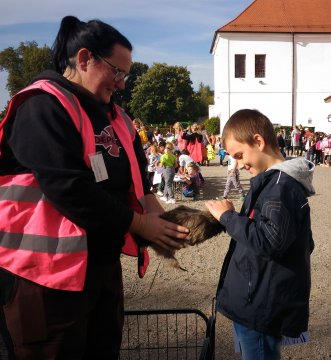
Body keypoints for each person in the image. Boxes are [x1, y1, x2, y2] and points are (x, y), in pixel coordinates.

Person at [0, 16, 190, 359]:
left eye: (125, 75)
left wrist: (153, 209)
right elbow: (69, 188)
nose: (121, 84)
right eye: (117, 72)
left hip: (98, 271)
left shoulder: (118, 117)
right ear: (85, 58)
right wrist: (140, 224)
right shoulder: (42, 106)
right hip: (43, 279)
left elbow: (138, 178)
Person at [205, 109, 315, 360]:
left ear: (259, 141)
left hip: (260, 304)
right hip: (256, 296)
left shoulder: (280, 187)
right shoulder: (271, 183)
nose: (240, 164)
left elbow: (271, 240)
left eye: (240, 155)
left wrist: (228, 218)